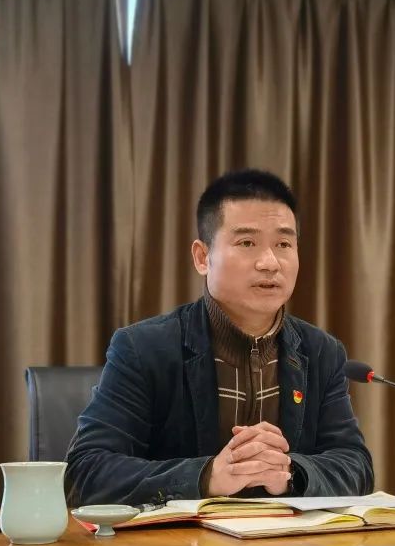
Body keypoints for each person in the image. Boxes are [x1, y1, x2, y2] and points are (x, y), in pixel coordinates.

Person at [65, 169, 373, 506]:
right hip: (179, 540)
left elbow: (355, 466)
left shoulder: (321, 352)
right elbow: (86, 472)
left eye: (284, 244)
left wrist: (291, 472)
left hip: (287, 539)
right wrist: (206, 476)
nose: (270, 262)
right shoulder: (144, 348)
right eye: (247, 243)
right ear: (202, 257)